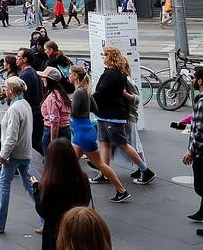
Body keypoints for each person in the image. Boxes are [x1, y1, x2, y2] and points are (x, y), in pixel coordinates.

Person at [93, 45, 154, 188]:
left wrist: (87, 101)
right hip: (105, 115)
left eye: (105, 55)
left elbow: (101, 92)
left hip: (112, 115)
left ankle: (145, 170)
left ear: (110, 57)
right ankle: (104, 173)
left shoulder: (112, 74)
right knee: (105, 143)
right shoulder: (114, 73)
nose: (103, 57)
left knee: (122, 144)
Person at [0, 76, 35, 234]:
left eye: (5, 87)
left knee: (4, 185)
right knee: (31, 187)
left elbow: (11, 137)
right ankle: (46, 218)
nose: (3, 90)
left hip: (14, 154)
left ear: (11, 90)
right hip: (25, 152)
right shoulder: (24, 104)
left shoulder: (14, 109)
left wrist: (3, 155)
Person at [67, 65, 127, 202]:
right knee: (69, 164)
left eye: (70, 73)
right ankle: (70, 191)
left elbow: (74, 112)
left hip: (82, 133)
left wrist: (68, 105)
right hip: (83, 132)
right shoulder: (85, 91)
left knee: (100, 164)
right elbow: (95, 108)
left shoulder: (78, 92)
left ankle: (122, 190)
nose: (68, 76)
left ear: (76, 76)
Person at [34, 138, 92, 250]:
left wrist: (36, 189)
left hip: (54, 231)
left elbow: (43, 211)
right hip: (76, 228)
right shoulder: (82, 177)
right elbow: (86, 200)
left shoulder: (51, 183)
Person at [185, 67, 203, 234]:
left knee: (201, 187)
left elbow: (200, 131)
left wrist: (191, 151)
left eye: (194, 77)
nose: (192, 79)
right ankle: (202, 211)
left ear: (199, 81)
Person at [16, 48, 44, 153]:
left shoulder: (25, 75)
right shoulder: (33, 72)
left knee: (34, 141)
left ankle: (53, 160)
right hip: (36, 111)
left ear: (25, 59)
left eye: (19, 56)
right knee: (35, 140)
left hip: (31, 112)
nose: (16, 58)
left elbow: (23, 97)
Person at [38, 67, 72, 152]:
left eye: (44, 77)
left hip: (53, 131)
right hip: (65, 130)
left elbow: (55, 122)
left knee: (52, 162)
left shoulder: (53, 98)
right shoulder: (61, 93)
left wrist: (53, 142)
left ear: (49, 79)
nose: (42, 79)